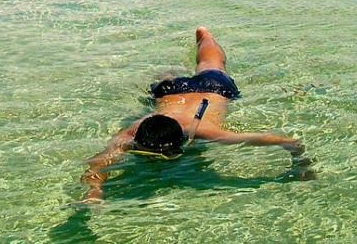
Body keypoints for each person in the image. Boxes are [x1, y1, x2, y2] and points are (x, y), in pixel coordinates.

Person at [80, 27, 304, 204]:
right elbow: (96, 164)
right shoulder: (135, 132)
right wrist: (94, 191)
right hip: (178, 91)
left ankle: (188, 53)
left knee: (211, 64)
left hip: (210, 89)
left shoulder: (203, 132)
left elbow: (98, 163)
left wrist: (300, 160)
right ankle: (204, 36)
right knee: (209, 63)